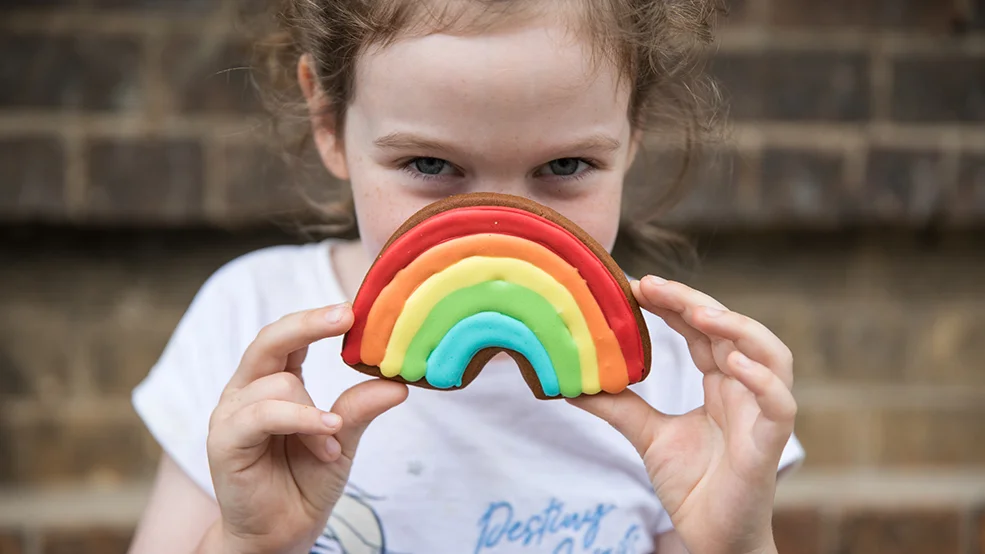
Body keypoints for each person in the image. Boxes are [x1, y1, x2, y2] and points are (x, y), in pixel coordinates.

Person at [128, 1, 804, 553]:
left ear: (633, 136)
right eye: (428, 165)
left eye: (565, 167)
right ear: (328, 123)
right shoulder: (250, 322)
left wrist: (733, 543)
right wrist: (249, 544)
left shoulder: (685, 382)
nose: (499, 233)